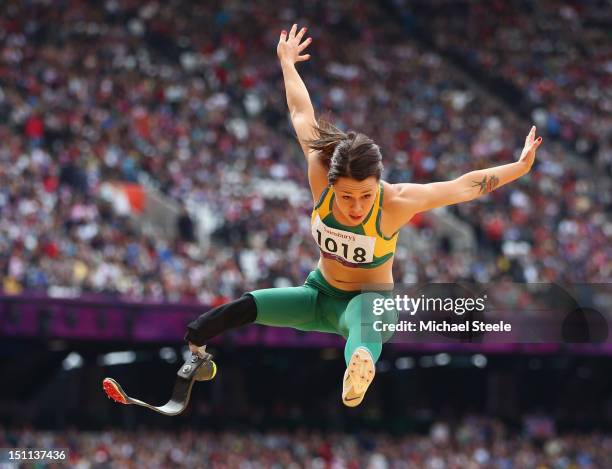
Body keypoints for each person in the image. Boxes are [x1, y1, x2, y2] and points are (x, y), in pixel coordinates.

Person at [184, 24, 543, 407]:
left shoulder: (396, 202)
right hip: (317, 296)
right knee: (243, 308)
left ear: (379, 185)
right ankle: (195, 350)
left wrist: (516, 169)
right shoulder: (319, 172)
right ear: (332, 183)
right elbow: (299, 111)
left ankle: (360, 368)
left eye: (365, 196)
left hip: (370, 304)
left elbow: (464, 186)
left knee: (364, 321)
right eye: (347, 197)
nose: (356, 208)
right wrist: (287, 63)